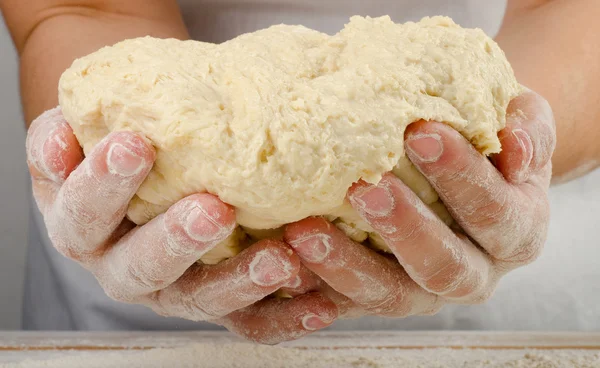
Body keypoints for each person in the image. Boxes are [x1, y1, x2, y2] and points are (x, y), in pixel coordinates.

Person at [0, 0, 598, 344]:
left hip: (503, 311)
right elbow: (83, 6)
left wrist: (520, 146)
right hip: (144, 302)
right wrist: (102, 155)